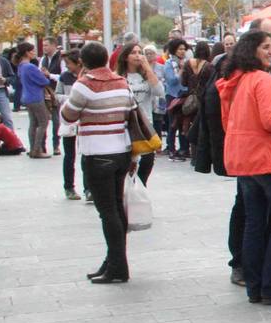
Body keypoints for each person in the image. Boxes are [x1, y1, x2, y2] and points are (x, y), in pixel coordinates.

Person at [216, 30, 271, 306]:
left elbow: (232, 120)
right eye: (265, 46)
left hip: (244, 160)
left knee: (255, 223)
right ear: (252, 50)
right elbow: (270, 121)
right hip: (267, 158)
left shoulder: (237, 80)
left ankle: (255, 285)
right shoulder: (261, 80)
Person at [61, 42, 136, 283]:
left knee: (108, 212)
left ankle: (117, 267)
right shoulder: (121, 82)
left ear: (83, 62)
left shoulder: (84, 85)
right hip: (121, 151)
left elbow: (68, 115)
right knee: (115, 207)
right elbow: (130, 113)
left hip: (97, 154)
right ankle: (113, 261)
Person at [194, 46, 246, 286]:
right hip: (247, 154)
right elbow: (220, 120)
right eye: (267, 43)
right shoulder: (232, 80)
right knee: (247, 208)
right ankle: (241, 263)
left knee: (252, 208)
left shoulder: (254, 75)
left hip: (251, 153)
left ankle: (256, 260)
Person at [116, 43, 164, 187]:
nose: (137, 55)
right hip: (126, 125)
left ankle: (141, 187)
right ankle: (126, 190)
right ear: (125, 57)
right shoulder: (119, 76)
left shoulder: (145, 74)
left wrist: (147, 68)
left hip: (145, 124)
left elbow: (159, 92)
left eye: (139, 52)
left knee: (148, 160)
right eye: (133, 52)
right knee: (129, 162)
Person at [16, 43, 55, 158]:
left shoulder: (21, 66)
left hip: (27, 96)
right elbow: (44, 81)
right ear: (27, 52)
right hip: (36, 97)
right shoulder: (30, 67)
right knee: (43, 122)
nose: (34, 53)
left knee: (33, 123)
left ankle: (33, 147)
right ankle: (37, 149)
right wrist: (44, 74)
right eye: (32, 51)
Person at [55, 49, 85, 198]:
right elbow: (57, 95)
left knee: (87, 154)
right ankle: (69, 187)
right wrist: (72, 98)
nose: (67, 66)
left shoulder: (87, 76)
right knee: (69, 155)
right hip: (69, 118)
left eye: (69, 63)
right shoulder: (64, 77)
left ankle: (89, 188)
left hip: (85, 120)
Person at [163, 38, 189, 159]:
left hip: (184, 95)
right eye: (180, 49)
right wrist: (181, 70)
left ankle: (184, 148)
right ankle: (171, 148)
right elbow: (171, 80)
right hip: (172, 96)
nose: (182, 52)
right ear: (174, 50)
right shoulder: (169, 64)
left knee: (184, 123)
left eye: (184, 49)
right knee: (173, 124)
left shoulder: (187, 62)